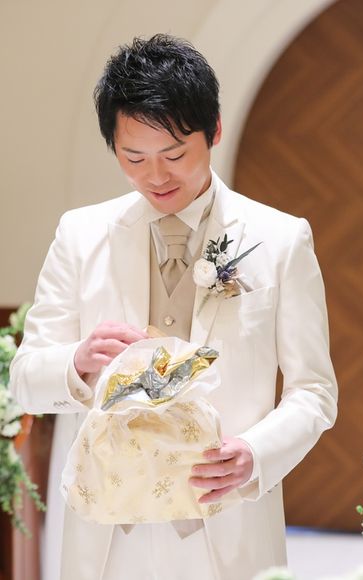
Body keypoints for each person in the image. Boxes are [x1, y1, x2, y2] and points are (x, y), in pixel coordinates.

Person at [9, 34, 338, 580]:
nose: (155, 177)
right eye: (133, 158)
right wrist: (77, 361)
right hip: (108, 535)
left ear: (215, 131)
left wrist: (255, 454)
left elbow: (315, 390)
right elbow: (24, 380)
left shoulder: (281, 240)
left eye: (175, 154)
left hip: (226, 522)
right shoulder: (80, 235)